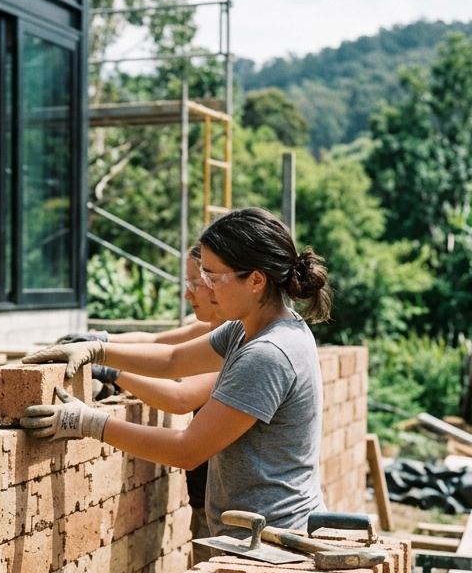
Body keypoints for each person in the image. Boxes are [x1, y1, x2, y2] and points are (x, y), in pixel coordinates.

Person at [20, 207, 331, 536]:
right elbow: (172, 359)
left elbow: (187, 449)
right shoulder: (248, 329)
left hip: (273, 539)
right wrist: (98, 350)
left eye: (213, 278)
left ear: (255, 280)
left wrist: (87, 422)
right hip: (258, 532)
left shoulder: (268, 353)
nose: (205, 289)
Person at [92, 246, 226, 539]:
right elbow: (160, 345)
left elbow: (180, 398)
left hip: (233, 513)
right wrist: (100, 341)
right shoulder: (219, 330)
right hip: (214, 500)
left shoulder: (243, 341)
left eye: (195, 284)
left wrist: (110, 372)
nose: (187, 295)